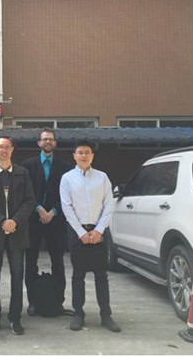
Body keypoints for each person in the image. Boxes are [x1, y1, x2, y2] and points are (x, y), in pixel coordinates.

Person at [59, 140, 121, 333]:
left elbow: (109, 204)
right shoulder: (67, 178)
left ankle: (106, 315)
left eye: (87, 152)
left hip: (98, 231)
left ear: (92, 156)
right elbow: (66, 207)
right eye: (80, 152)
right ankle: (78, 313)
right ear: (74, 156)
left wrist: (99, 230)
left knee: (101, 275)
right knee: (78, 275)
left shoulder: (102, 177)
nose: (84, 155)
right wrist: (81, 232)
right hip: (77, 232)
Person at [0, 136, 35, 335]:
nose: (3, 150)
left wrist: (14, 221)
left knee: (17, 277)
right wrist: (2, 220)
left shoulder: (22, 173)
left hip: (17, 233)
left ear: (12, 150)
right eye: (0, 147)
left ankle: (15, 318)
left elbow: (29, 201)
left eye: (7, 147)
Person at [22, 127, 71, 315]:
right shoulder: (27, 165)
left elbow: (67, 195)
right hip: (32, 220)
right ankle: (32, 302)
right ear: (39, 143)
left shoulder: (65, 167)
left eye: (50, 139)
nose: (47, 142)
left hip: (56, 220)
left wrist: (53, 211)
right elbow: (25, 192)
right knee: (30, 262)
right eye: (44, 139)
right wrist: (38, 208)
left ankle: (58, 302)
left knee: (58, 261)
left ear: (55, 143)